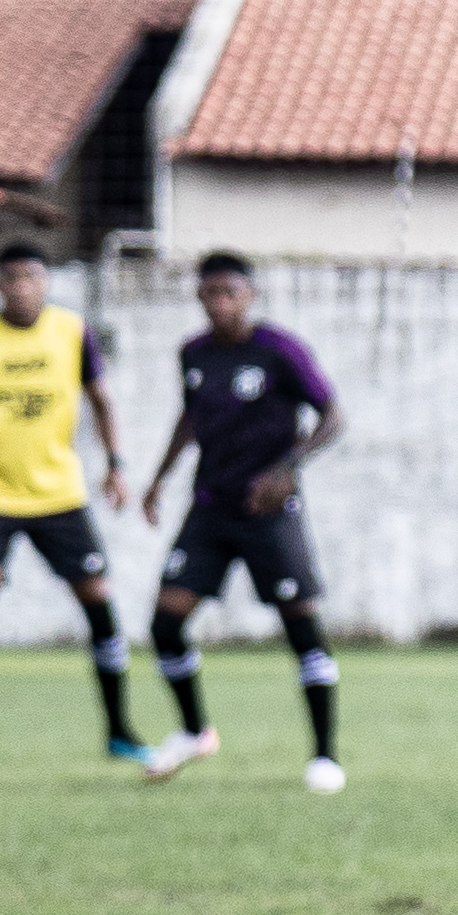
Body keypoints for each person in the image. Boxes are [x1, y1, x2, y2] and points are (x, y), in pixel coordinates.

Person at [0, 243, 145, 770]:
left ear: (46, 282)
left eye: (31, 278)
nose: (21, 288)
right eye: (12, 278)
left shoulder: (71, 332)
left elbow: (102, 401)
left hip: (59, 494)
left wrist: (116, 465)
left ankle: (120, 732)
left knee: (97, 596)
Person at [137, 251, 350, 791]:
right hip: (210, 508)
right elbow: (190, 416)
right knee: (165, 622)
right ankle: (193, 731)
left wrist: (287, 467)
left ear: (249, 296)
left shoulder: (278, 351)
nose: (220, 303)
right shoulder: (193, 353)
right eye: (210, 293)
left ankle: (325, 756)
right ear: (199, 296)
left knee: (300, 623)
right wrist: (159, 478)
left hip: (268, 512)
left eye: (230, 293)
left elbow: (333, 416)